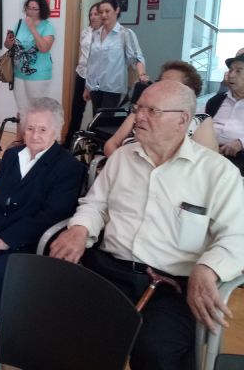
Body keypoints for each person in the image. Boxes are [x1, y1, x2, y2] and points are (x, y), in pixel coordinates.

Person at [50, 80, 244, 370]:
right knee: (62, 329)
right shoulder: (122, 158)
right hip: (109, 270)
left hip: (171, 286)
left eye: (152, 111)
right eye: (138, 108)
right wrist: (80, 229)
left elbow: (237, 235)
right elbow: (96, 204)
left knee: (158, 352)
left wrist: (209, 267)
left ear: (182, 120)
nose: (139, 117)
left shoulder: (217, 173)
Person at [0, 98, 85, 370]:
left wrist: (3, 241)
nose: (35, 135)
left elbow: (50, 216)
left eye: (43, 129)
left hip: (27, 245)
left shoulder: (68, 167)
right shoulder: (12, 156)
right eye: (30, 128)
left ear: (57, 132)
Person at [104, 60, 218, 156]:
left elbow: (207, 166)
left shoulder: (199, 121)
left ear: (190, 91)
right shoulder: (140, 112)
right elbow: (111, 144)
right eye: (161, 82)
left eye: (171, 84)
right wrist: (122, 167)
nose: (162, 88)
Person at [85, 0, 150, 114]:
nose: (104, 15)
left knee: (106, 120)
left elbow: (136, 57)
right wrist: (87, 87)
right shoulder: (95, 34)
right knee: (96, 119)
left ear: (117, 10)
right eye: (101, 12)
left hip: (113, 88)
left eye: (107, 11)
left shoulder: (125, 34)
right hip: (95, 87)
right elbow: (91, 61)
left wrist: (142, 74)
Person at [4, 0, 55, 143]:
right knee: (22, 109)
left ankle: (37, 141)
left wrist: (32, 28)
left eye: (34, 9)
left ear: (41, 10)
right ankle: (21, 140)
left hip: (38, 76)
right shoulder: (20, 23)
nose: (30, 11)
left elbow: (44, 48)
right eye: (28, 8)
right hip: (19, 73)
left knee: (37, 110)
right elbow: (8, 45)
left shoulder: (47, 26)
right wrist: (8, 42)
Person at [64, 3, 101, 146]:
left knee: (98, 112)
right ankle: (69, 142)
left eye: (96, 14)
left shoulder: (106, 34)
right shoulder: (86, 32)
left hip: (97, 77)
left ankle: (95, 145)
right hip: (82, 73)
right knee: (76, 109)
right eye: (91, 14)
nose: (92, 17)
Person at [206, 52, 244, 175]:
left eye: (238, 71)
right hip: (208, 155)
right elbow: (198, 121)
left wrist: (241, 143)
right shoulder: (216, 100)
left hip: (239, 160)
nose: (231, 75)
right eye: (230, 70)